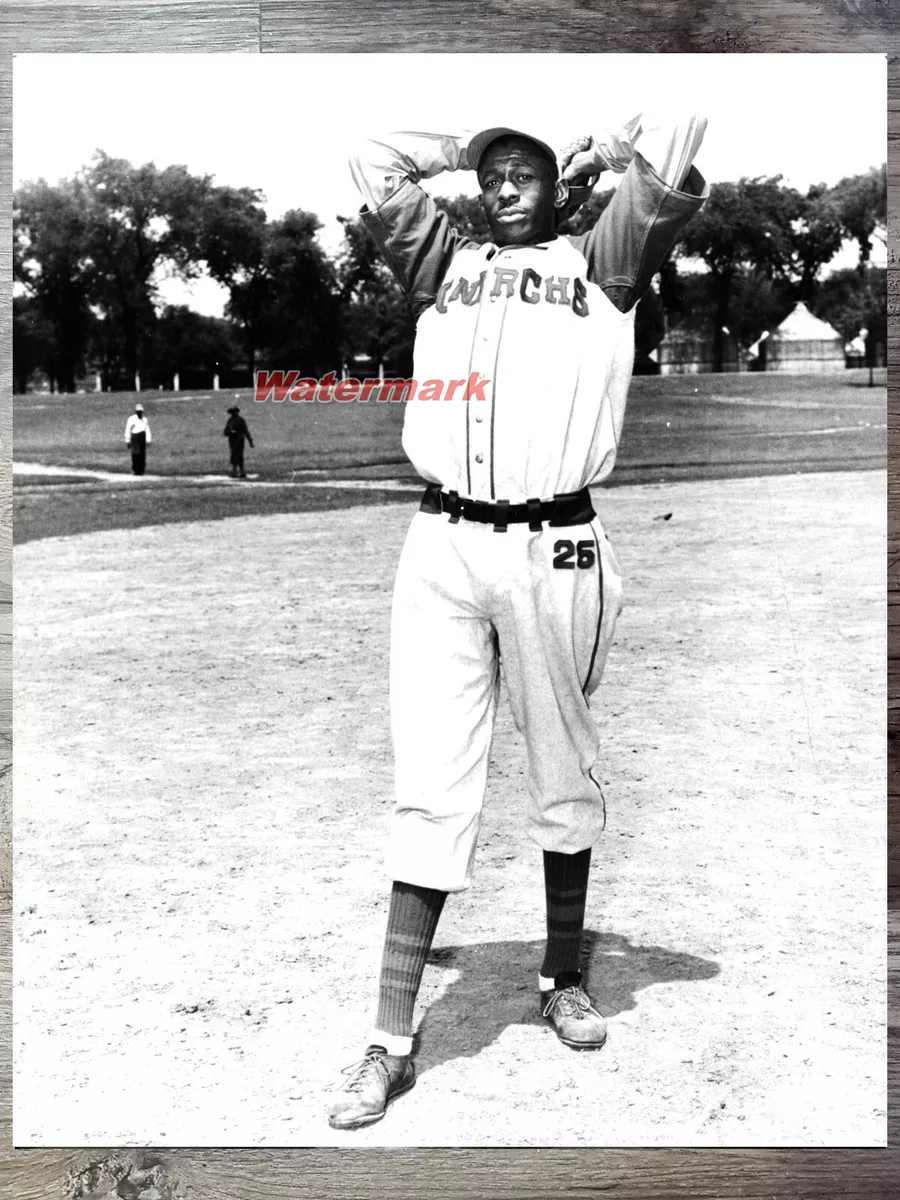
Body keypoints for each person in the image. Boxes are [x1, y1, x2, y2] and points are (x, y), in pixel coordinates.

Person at [327, 111, 709, 1131]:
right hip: (442, 543)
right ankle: (389, 1041)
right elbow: (369, 153)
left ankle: (564, 976)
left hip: (558, 546)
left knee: (561, 767)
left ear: (559, 182)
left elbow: (680, 134)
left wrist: (604, 153)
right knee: (432, 781)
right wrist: (462, 146)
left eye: (522, 170)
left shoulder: (605, 261)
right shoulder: (441, 260)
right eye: (490, 173)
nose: (503, 185)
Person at [223, 405, 254, 478]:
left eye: (234, 412)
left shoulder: (240, 420)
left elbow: (245, 431)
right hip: (232, 441)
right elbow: (226, 431)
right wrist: (230, 432)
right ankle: (238, 472)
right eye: (232, 412)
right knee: (235, 455)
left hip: (239, 440)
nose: (233, 413)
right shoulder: (230, 420)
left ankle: (238, 472)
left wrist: (250, 441)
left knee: (238, 456)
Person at [124, 402, 151, 476]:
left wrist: (148, 440)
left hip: (142, 437)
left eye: (141, 412)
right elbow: (128, 429)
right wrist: (127, 440)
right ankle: (135, 470)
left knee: (142, 455)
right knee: (135, 454)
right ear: (136, 412)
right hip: (135, 437)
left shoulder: (145, 419)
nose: (140, 413)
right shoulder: (131, 419)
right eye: (138, 412)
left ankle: (141, 470)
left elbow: (147, 429)